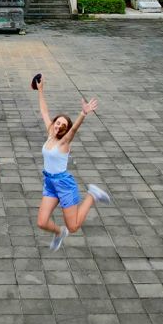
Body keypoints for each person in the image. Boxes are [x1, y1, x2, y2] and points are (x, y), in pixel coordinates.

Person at [33, 75, 111, 252]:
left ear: (65, 130)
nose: (59, 126)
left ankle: (92, 195)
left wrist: (83, 113)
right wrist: (41, 90)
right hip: (50, 183)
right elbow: (44, 112)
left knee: (74, 227)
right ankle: (59, 232)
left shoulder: (63, 142)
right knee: (42, 222)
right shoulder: (50, 134)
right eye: (57, 122)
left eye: (63, 125)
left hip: (64, 184)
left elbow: (74, 129)